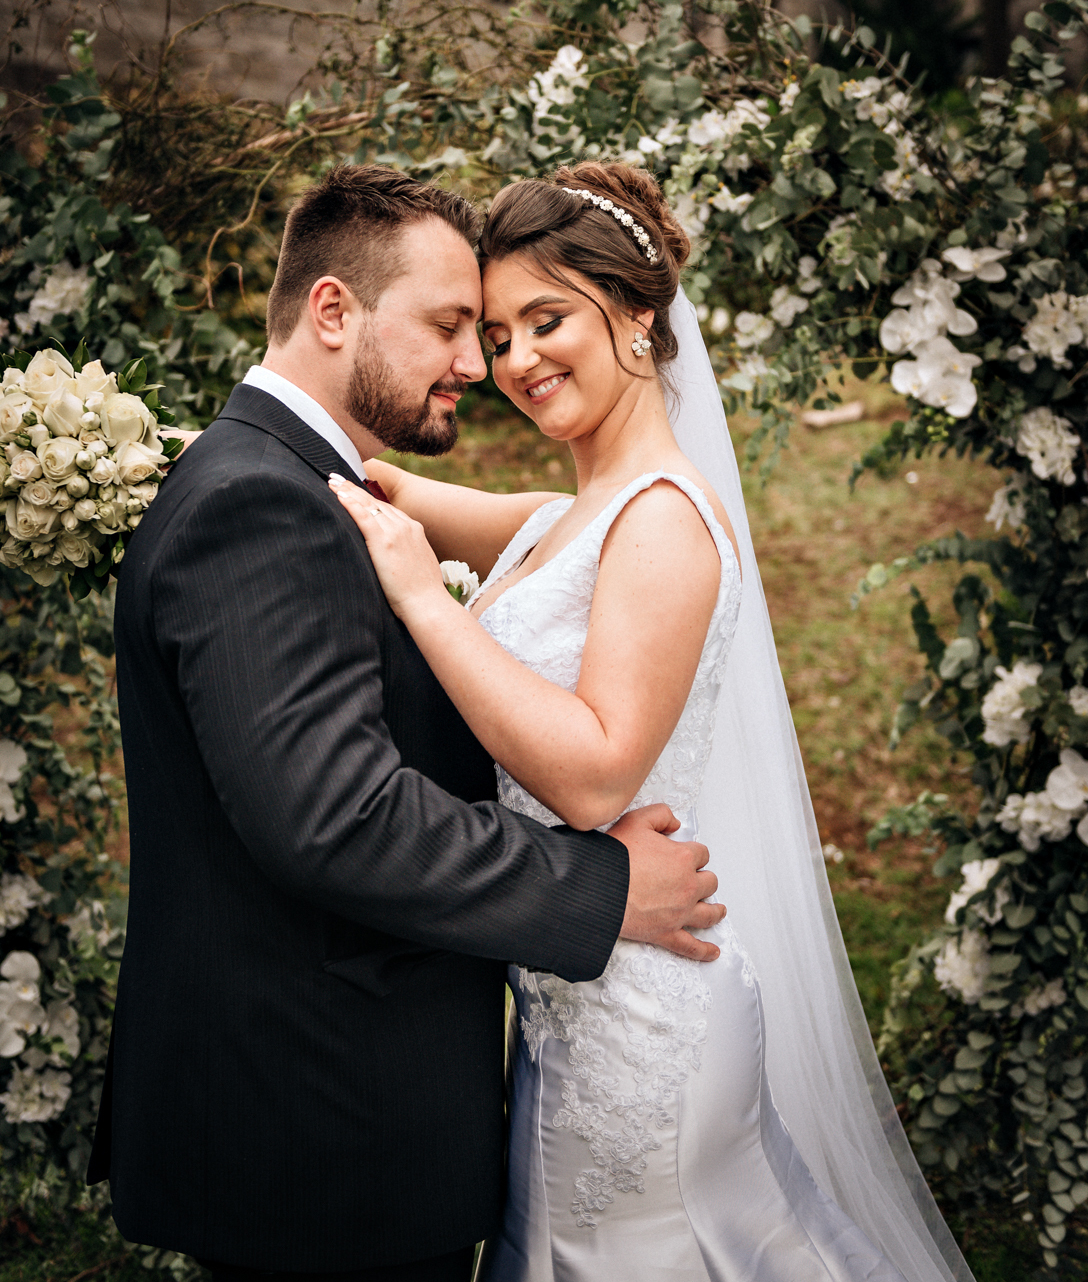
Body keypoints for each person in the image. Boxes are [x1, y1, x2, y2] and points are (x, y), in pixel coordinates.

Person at [331, 163, 976, 1282]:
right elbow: (369, 486)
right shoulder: (556, 520)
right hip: (568, 998)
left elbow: (592, 775)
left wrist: (424, 600)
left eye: (548, 319)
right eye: (495, 331)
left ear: (637, 316)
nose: (517, 360)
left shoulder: (665, 521)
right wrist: (166, 456)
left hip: (643, 1025)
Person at [86, 165, 727, 1282]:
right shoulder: (259, 500)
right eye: (455, 326)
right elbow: (337, 817)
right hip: (323, 1119)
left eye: (529, 324)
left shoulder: (297, 481)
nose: (484, 366)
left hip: (360, 1107)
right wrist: (601, 889)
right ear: (333, 311)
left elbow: (459, 519)